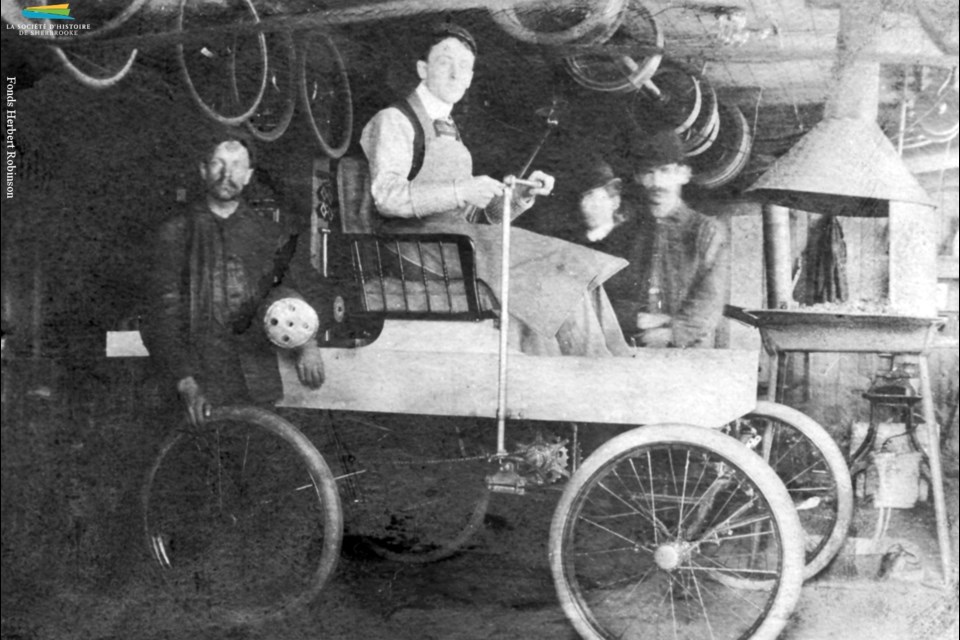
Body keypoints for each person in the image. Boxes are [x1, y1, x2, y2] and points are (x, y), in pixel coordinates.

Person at [359, 22, 630, 357]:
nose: (456, 74)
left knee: (575, 269)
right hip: (416, 249)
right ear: (422, 68)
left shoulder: (451, 130)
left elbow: (475, 216)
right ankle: (593, 377)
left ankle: (615, 367)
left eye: (465, 67)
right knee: (555, 267)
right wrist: (462, 189)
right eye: (445, 62)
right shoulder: (394, 120)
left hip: (457, 243)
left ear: (472, 77)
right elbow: (386, 197)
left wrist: (518, 198)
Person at [141, 134, 328, 426]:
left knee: (256, 463)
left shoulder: (269, 235)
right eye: (218, 163)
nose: (227, 174)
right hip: (199, 385)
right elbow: (160, 318)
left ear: (248, 175)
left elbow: (306, 289)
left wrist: (308, 341)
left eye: (237, 165)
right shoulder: (175, 234)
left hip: (256, 385)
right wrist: (186, 383)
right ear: (203, 170)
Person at [617, 129, 730, 348]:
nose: (657, 181)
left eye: (665, 171)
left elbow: (709, 300)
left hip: (687, 350)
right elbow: (609, 293)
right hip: (630, 345)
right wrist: (633, 319)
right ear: (638, 177)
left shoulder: (706, 231)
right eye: (648, 172)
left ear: (684, 174)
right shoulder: (625, 233)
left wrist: (673, 332)